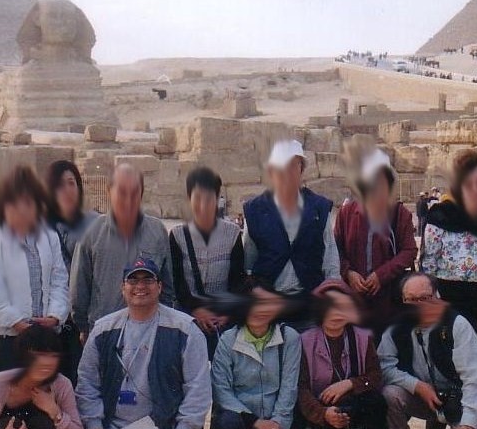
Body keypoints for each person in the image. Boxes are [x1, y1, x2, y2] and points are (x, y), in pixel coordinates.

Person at [77, 257, 210, 429]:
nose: (140, 286)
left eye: (148, 280)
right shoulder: (103, 329)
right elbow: (87, 384)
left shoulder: (185, 329)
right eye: (133, 280)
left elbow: (198, 387)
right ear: (123, 288)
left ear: (159, 287)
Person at [378, 273, 477, 429]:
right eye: (411, 299)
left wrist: (468, 425)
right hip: (420, 397)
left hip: (457, 399)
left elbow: (474, 379)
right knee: (389, 394)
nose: (418, 305)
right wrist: (417, 386)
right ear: (403, 301)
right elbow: (384, 366)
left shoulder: (457, 324)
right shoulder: (395, 326)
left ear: (437, 296)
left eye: (425, 298)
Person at [0, 165, 69, 375]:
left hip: (45, 337)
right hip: (6, 339)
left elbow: (59, 281)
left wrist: (55, 316)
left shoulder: (49, 237)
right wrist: (19, 324)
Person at [209, 287, 301, 429]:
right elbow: (221, 390)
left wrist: (276, 426)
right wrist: (255, 422)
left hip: (272, 417)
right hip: (239, 416)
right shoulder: (228, 339)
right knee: (226, 421)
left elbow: (289, 387)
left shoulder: (289, 337)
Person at [420, 149, 477, 357]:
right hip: (447, 297)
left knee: (476, 357)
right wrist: (431, 299)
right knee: (447, 358)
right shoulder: (439, 215)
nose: (475, 187)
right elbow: (428, 263)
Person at [296, 280, 386, 429]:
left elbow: (375, 376)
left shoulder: (362, 338)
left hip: (356, 404)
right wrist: (323, 413)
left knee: (377, 401)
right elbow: (301, 387)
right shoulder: (305, 341)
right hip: (322, 408)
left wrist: (350, 383)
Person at [71, 163, 173, 337]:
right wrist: (83, 327)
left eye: (134, 193)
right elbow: (79, 287)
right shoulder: (92, 233)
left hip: (149, 332)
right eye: (122, 193)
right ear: (109, 191)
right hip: (105, 332)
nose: (128, 200)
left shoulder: (157, 232)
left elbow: (168, 287)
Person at [244, 139, 340, 309]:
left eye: (292, 166)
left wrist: (332, 294)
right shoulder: (254, 210)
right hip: (269, 304)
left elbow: (330, 258)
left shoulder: (319, 208)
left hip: (310, 302)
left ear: (301, 169)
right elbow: (249, 263)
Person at [334, 150, 417, 334]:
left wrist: (381, 275)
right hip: (353, 300)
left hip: (388, 299)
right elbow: (335, 249)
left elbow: (409, 250)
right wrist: (348, 273)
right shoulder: (346, 213)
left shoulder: (399, 214)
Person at [170, 166, 247, 356]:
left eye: (209, 199)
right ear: (189, 198)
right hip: (189, 317)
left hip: (223, 320)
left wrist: (226, 312)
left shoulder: (233, 234)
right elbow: (178, 283)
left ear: (217, 199)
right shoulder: (178, 235)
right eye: (197, 198)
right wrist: (197, 310)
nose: (203, 205)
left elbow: (237, 281)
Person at [45, 159, 96, 389]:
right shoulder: (39, 227)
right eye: (59, 185)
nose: (67, 190)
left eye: (71, 183)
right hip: (53, 318)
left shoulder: (96, 224)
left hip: (83, 316)